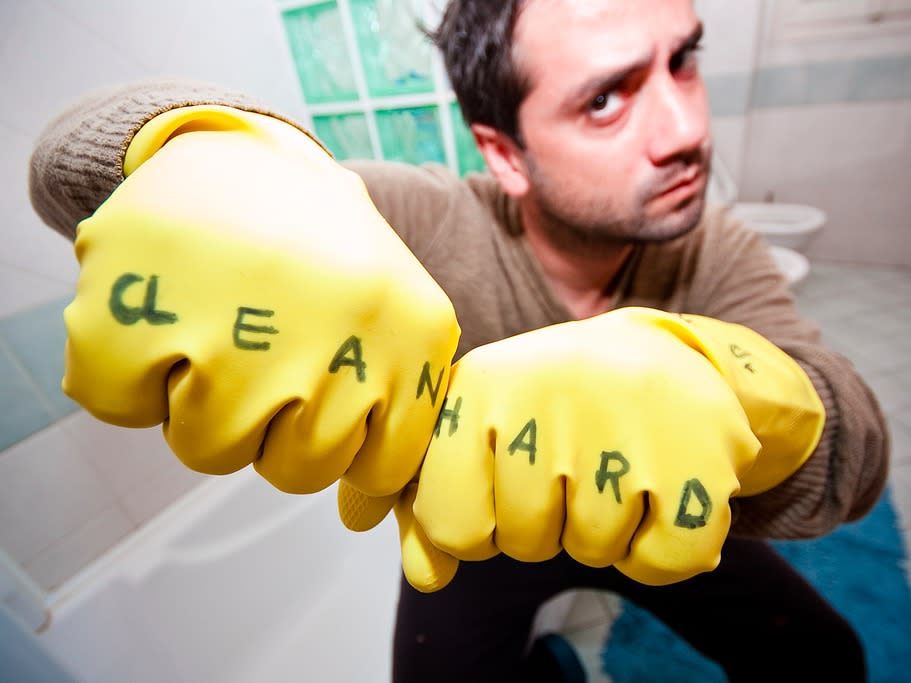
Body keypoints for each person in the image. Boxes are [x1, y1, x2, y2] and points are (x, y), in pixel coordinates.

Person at [28, 0, 889, 681]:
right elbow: (69, 167)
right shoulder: (431, 220)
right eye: (604, 98)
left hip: (655, 521)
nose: (684, 130)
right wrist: (211, 154)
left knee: (823, 657)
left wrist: (741, 391)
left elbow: (857, 449)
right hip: (473, 540)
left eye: (683, 60)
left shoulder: (714, 250)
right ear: (502, 153)